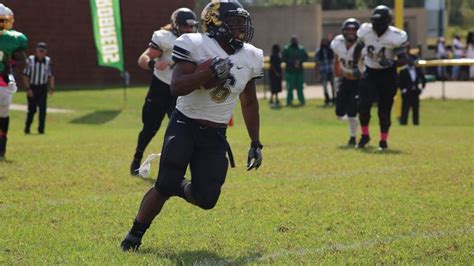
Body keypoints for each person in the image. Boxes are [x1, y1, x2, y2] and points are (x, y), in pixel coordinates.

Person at [120, 0, 263, 251]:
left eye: (243, 21)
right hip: (184, 125)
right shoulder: (194, 43)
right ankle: (134, 234)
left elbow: (249, 103)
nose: (242, 26)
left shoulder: (251, 55)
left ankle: (179, 186)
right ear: (216, 24)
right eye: (235, 21)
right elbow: (177, 87)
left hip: (216, 133)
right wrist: (206, 74)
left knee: (207, 199)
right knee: (163, 185)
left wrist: (255, 142)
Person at [129, 8, 198, 176]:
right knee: (150, 128)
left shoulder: (197, 40)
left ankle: (174, 168)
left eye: (191, 27)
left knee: (179, 130)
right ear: (175, 26)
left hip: (179, 90)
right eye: (185, 27)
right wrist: (153, 64)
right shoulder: (164, 38)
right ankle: (137, 159)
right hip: (160, 88)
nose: (189, 30)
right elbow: (142, 59)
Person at [353, 5, 408, 150]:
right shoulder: (365, 31)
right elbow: (358, 48)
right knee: (363, 106)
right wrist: (355, 66)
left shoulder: (396, 36)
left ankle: (383, 140)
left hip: (388, 75)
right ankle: (365, 135)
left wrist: (392, 63)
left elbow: (403, 59)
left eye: (380, 21)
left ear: (388, 21)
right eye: (375, 21)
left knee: (384, 110)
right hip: (370, 72)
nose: (377, 25)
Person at [0, 4, 27, 159]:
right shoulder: (14, 38)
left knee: (3, 112)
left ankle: (2, 141)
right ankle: (3, 141)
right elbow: (21, 60)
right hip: (4, 81)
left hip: (4, 80)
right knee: (3, 113)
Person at [330, 18, 361, 146]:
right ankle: (355, 121)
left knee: (352, 111)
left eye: (354, 30)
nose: (351, 32)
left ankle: (353, 137)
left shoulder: (362, 45)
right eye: (348, 30)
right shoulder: (338, 43)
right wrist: (337, 79)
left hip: (358, 81)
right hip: (345, 79)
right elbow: (337, 61)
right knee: (339, 113)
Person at [23, 42, 54, 134]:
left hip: (42, 88)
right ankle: (27, 128)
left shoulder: (48, 61)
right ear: (37, 51)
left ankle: (41, 130)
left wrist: (51, 88)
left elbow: (51, 75)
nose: (41, 53)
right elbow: (25, 75)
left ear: (46, 52)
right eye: (40, 51)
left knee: (43, 110)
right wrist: (28, 89)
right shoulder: (30, 60)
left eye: (43, 51)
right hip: (33, 87)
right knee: (32, 110)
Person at [399, 54, 426, 126]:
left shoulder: (417, 70)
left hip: (415, 92)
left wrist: (422, 88)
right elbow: (399, 81)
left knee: (416, 109)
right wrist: (402, 89)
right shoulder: (403, 71)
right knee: (405, 109)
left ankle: (416, 123)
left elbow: (423, 79)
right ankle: (403, 123)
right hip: (407, 93)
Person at [282, 35, 308, 106]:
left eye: (295, 40)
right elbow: (283, 58)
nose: (294, 41)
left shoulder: (301, 48)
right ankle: (289, 101)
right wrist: (291, 62)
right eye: (293, 40)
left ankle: (302, 101)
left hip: (299, 71)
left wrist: (299, 61)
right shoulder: (287, 48)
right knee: (290, 88)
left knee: (300, 87)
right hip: (290, 72)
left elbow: (306, 57)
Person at [316, 37, 336, 106]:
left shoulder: (331, 50)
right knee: (324, 86)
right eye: (323, 41)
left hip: (331, 70)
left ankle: (334, 99)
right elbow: (317, 62)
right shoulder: (319, 51)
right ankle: (327, 99)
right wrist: (317, 73)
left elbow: (334, 60)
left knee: (333, 85)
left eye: (326, 41)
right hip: (323, 71)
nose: (324, 43)